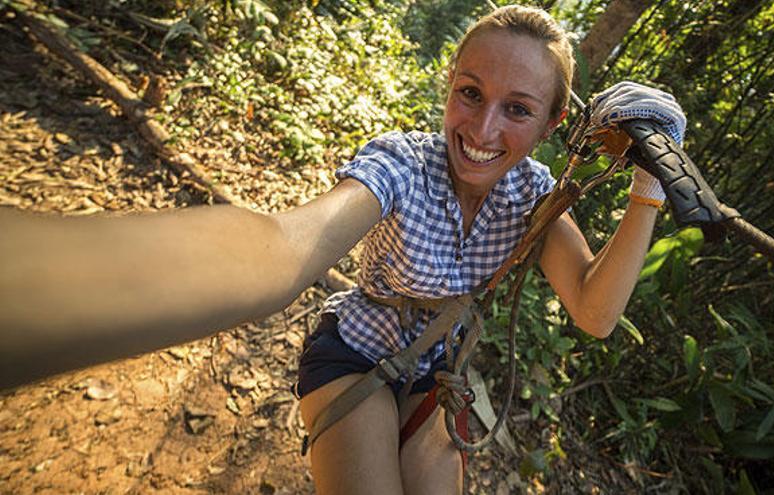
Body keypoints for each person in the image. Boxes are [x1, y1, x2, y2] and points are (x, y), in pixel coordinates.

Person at [0, 4, 686, 493]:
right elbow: (282, 245)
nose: (480, 127)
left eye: (517, 108)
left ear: (552, 122)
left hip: (434, 372)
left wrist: (650, 178)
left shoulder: (535, 196)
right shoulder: (401, 163)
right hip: (354, 350)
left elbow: (594, 310)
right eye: (470, 94)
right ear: (448, 87)